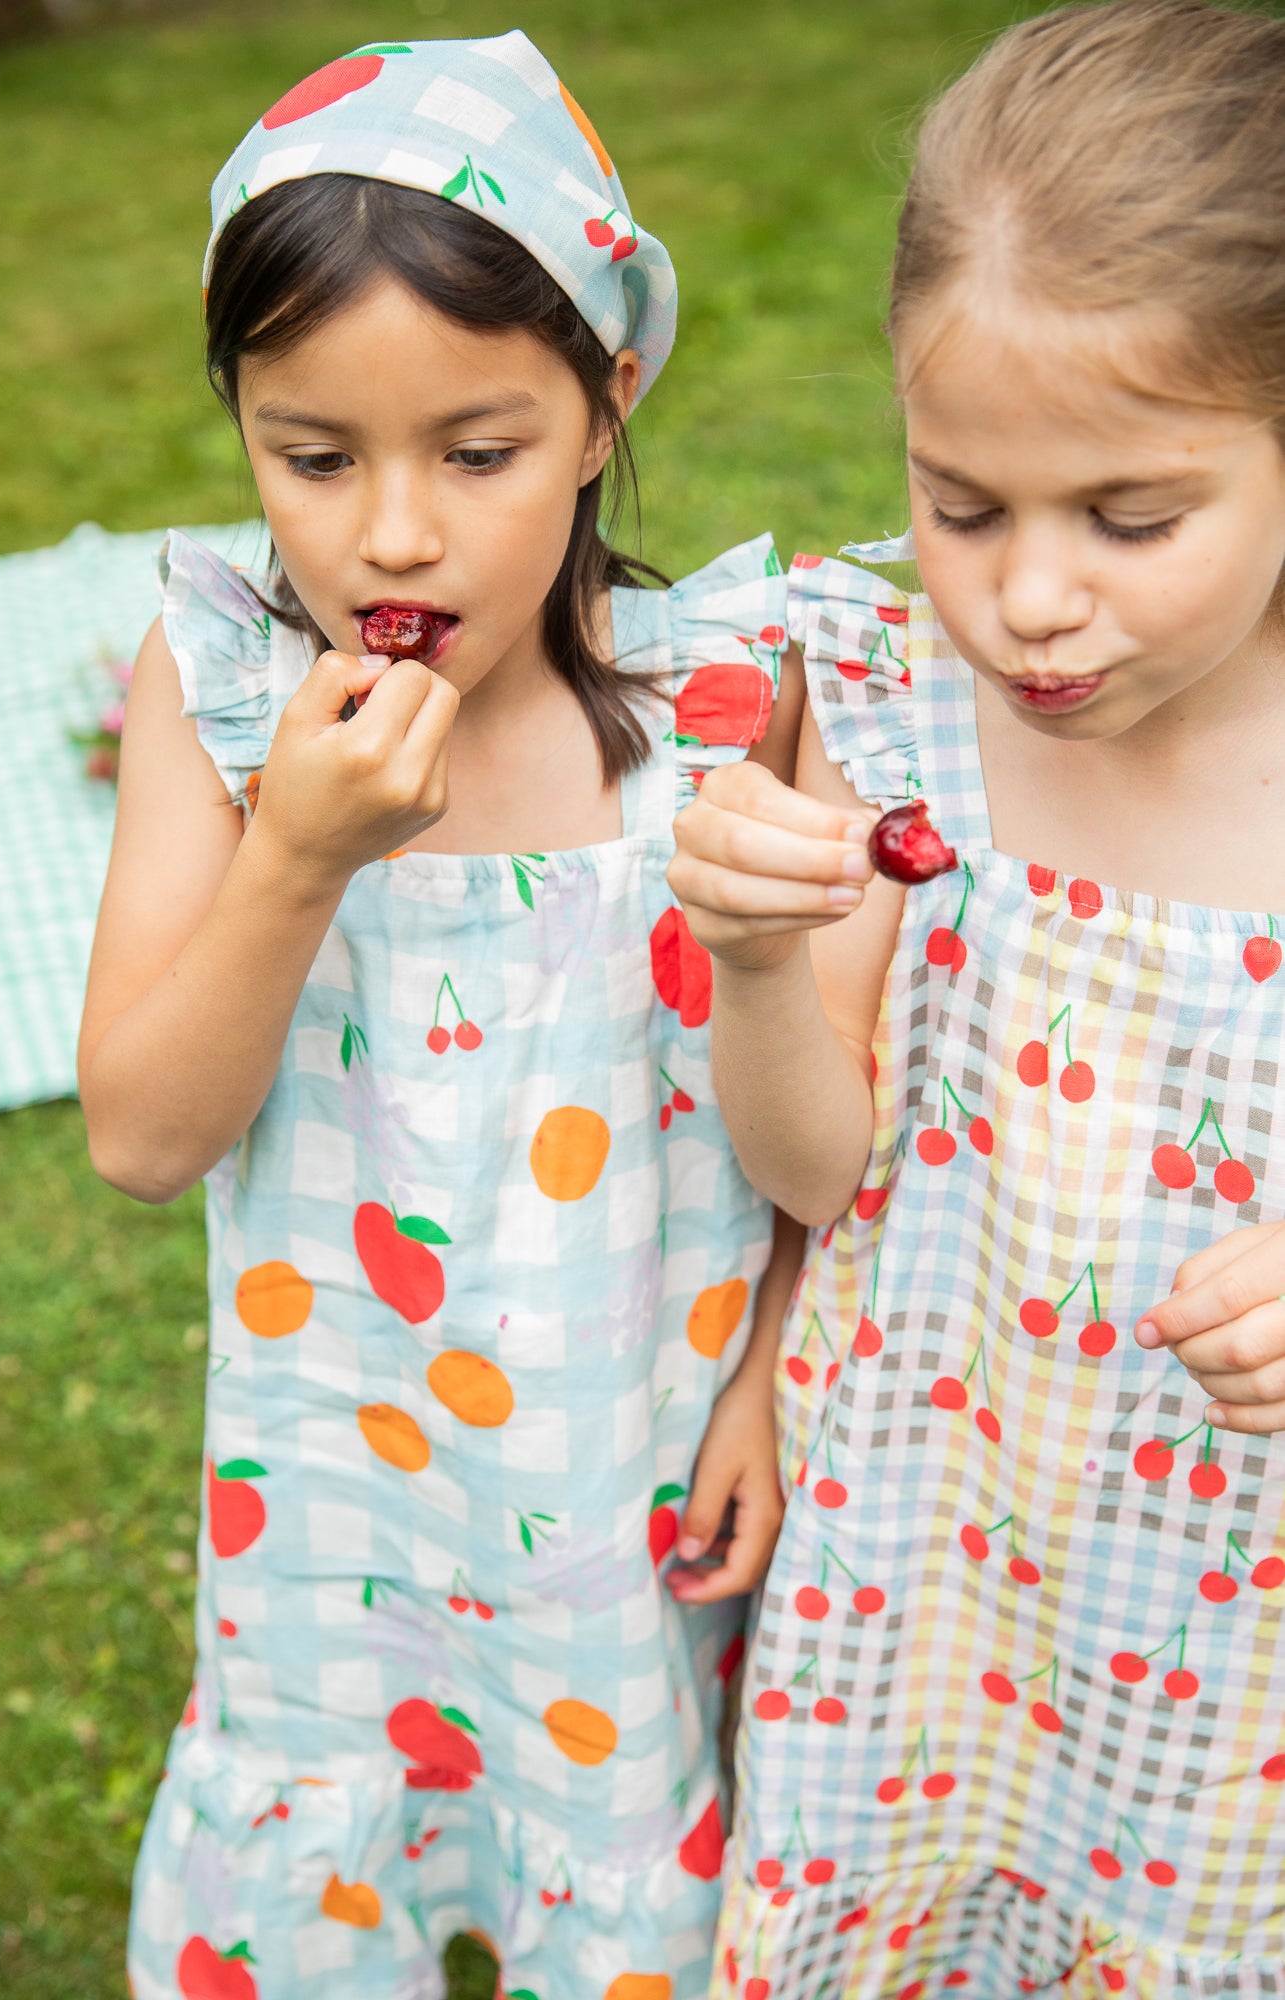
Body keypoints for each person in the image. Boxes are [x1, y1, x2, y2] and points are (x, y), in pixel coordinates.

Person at [77, 33, 804, 1999]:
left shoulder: (720, 706)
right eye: (309, 457)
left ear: (602, 399)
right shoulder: (220, 697)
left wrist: (770, 1377)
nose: (387, 535)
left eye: (472, 452)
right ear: (237, 420)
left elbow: (818, 1121)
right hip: (341, 1497)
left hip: (631, 1482)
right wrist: (292, 858)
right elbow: (143, 1134)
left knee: (617, 1846)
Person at [668, 3, 1285, 1991]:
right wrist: (757, 957)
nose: (1025, 596)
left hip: (1223, 1622)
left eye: (1128, 518)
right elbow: (820, 1160)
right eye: (963, 504)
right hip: (929, 1553)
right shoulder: (877, 693)